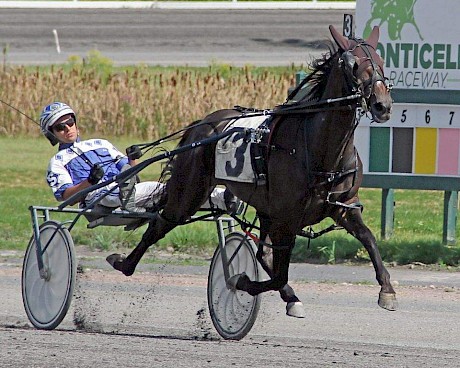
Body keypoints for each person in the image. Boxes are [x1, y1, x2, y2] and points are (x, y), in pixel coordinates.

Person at [40, 102, 241, 215]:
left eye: (70, 122)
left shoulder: (100, 143)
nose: (68, 129)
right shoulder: (57, 162)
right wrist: (89, 182)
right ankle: (126, 195)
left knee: (170, 190)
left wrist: (132, 159)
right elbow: (66, 197)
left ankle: (224, 198)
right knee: (147, 191)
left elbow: (129, 168)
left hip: (131, 188)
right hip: (97, 196)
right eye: (60, 127)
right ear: (51, 134)